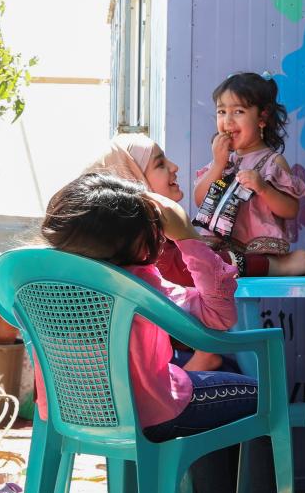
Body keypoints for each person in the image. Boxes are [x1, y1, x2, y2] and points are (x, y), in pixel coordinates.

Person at [36, 172, 291, 493]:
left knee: (200, 390)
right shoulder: (139, 284)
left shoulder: (37, 280)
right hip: (152, 413)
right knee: (268, 396)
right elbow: (218, 315)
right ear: (138, 243)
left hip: (72, 414)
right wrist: (187, 236)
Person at [87, 132, 226, 371]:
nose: (174, 167)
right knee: (257, 385)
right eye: (160, 164)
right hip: (151, 386)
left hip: (86, 397)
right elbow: (218, 313)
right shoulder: (146, 254)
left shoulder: (92, 254)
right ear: (131, 180)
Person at [192, 72, 305, 277]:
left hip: (257, 251)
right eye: (221, 112)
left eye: (238, 111)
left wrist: (263, 188)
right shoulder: (222, 161)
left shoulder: (272, 162)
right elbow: (200, 200)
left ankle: (295, 263)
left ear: (262, 117)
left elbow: (290, 209)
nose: (227, 120)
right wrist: (217, 164)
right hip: (221, 247)